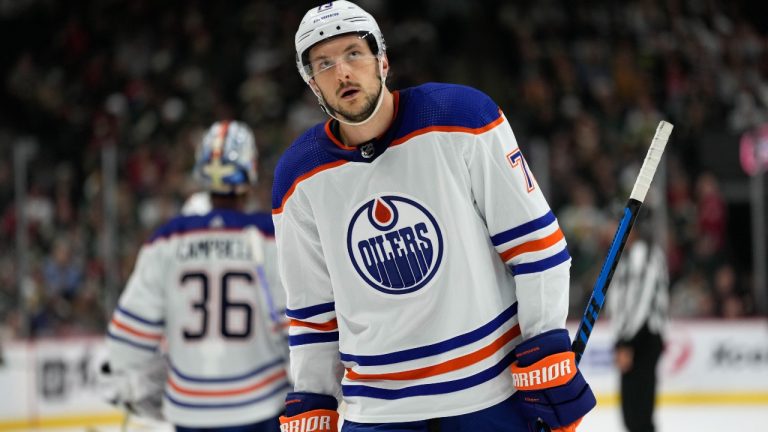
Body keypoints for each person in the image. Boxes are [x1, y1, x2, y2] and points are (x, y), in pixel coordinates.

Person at [271, 2, 596, 431]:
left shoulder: (463, 120)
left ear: (382, 60)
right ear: (313, 84)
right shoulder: (298, 177)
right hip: (378, 411)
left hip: (488, 393)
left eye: (354, 53)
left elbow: (535, 246)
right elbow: (313, 311)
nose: (342, 72)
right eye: (324, 63)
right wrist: (314, 395)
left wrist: (546, 346)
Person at [105, 120, 289, 432]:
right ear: (251, 168)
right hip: (260, 403)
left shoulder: (166, 240)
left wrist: (148, 391)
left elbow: (127, 340)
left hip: (189, 410)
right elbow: (299, 327)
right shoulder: (272, 235)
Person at [608, 221, 668, 432]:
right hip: (631, 338)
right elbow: (619, 303)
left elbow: (641, 303)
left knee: (639, 415)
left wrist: (626, 342)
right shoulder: (626, 256)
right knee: (632, 415)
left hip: (643, 337)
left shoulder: (645, 254)